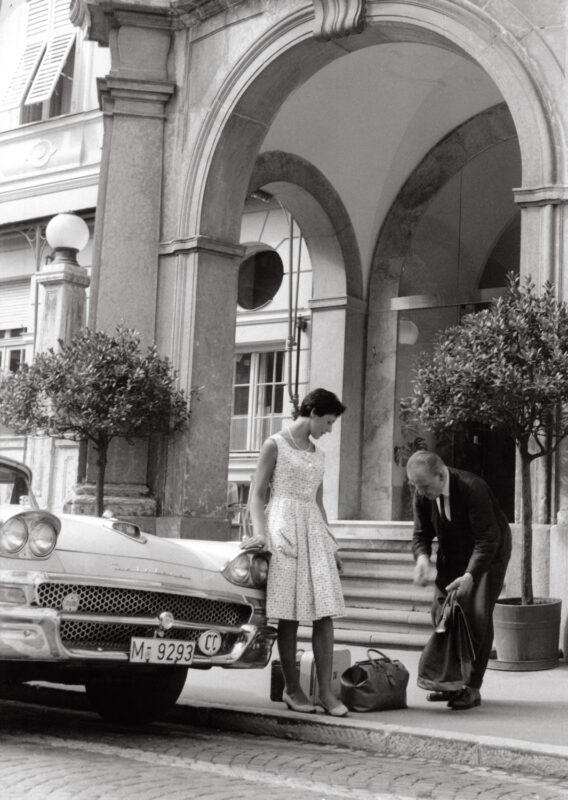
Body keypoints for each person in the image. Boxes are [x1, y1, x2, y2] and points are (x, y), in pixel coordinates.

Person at [241, 388, 348, 716]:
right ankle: (292, 688)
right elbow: (257, 495)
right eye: (328, 422)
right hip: (282, 527)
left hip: (313, 530)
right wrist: (261, 534)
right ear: (313, 412)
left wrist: (332, 544)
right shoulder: (275, 444)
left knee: (324, 611)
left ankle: (326, 694)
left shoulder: (319, 454)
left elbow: (317, 501)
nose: (329, 429)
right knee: (287, 614)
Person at [407, 450, 511, 710]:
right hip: (452, 553)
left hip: (489, 554)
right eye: (416, 487)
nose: (421, 493)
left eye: (425, 486)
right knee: (440, 613)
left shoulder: (473, 488)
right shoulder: (422, 492)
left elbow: (488, 539)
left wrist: (470, 575)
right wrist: (422, 559)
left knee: (476, 615)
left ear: (441, 475)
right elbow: (420, 534)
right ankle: (450, 682)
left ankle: (472, 687)